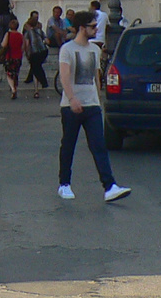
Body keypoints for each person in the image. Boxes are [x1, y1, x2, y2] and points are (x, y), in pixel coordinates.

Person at [57, 11, 130, 204]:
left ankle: (110, 186)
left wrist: (98, 98)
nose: (96, 29)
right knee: (68, 145)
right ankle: (64, 184)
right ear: (82, 28)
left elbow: (96, 77)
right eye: (92, 26)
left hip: (92, 105)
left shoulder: (95, 50)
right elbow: (65, 76)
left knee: (99, 145)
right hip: (71, 106)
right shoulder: (67, 49)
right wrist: (72, 99)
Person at [22, 13, 50, 98]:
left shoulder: (27, 33)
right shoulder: (40, 31)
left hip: (34, 52)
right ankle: (30, 80)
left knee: (36, 67)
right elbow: (47, 41)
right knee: (35, 66)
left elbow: (27, 45)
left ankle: (43, 82)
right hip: (43, 51)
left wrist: (27, 54)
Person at [0, 19, 24, 100]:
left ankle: (13, 89)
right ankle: (15, 87)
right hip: (18, 56)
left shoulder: (8, 34)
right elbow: (23, 47)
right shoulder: (20, 35)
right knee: (16, 73)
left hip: (9, 56)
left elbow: (4, 44)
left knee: (9, 74)